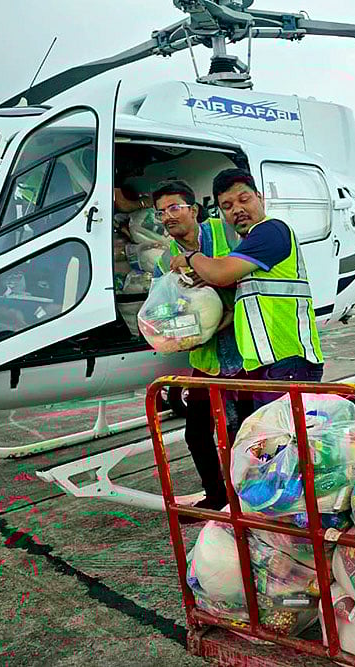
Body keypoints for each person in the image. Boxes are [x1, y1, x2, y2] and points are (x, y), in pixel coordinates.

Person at [184, 168, 325, 409]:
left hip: (288, 363)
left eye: (244, 199)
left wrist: (190, 257)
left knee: (284, 433)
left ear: (260, 198)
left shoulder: (270, 231)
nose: (237, 209)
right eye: (227, 206)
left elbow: (220, 273)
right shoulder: (247, 245)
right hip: (267, 365)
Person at [151, 179, 245, 511]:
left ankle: (248, 501)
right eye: (161, 212)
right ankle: (217, 497)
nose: (167, 216)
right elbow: (162, 309)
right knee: (197, 432)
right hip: (206, 357)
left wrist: (214, 279)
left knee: (243, 431)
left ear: (193, 210)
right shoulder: (164, 261)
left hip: (243, 351)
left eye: (174, 207)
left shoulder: (225, 233)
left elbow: (250, 273)